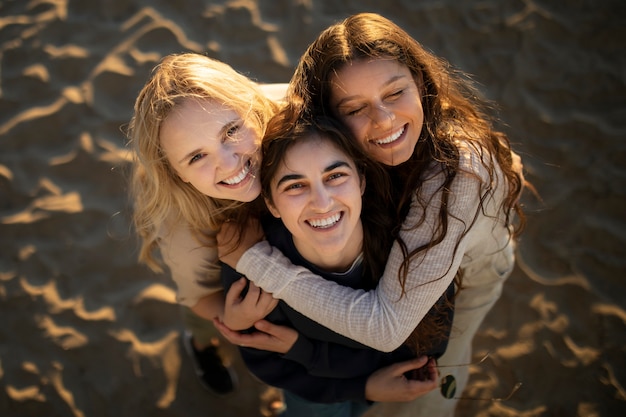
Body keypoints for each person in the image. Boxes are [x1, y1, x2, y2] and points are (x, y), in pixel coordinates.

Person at [217, 12, 527, 416]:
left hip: (468, 276)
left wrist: (255, 262)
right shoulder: (343, 156)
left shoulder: (460, 172)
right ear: (328, 115)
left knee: (427, 391)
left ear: (421, 84)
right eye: (355, 107)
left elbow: (386, 327)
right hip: (383, 292)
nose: (383, 120)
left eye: (395, 93)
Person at [215, 114, 444, 416]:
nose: (322, 203)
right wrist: (362, 386)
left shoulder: (413, 246)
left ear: (361, 180)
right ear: (271, 204)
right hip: (311, 397)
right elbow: (267, 363)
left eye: (335, 176)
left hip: (384, 387)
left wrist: (306, 352)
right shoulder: (252, 264)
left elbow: (423, 349)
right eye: (295, 185)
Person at [126, 52, 284, 396]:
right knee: (202, 322)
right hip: (214, 285)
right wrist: (233, 318)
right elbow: (199, 296)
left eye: (230, 130)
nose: (228, 163)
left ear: (251, 109)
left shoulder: (285, 111)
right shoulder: (182, 225)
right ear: (177, 174)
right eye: (197, 157)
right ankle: (199, 346)